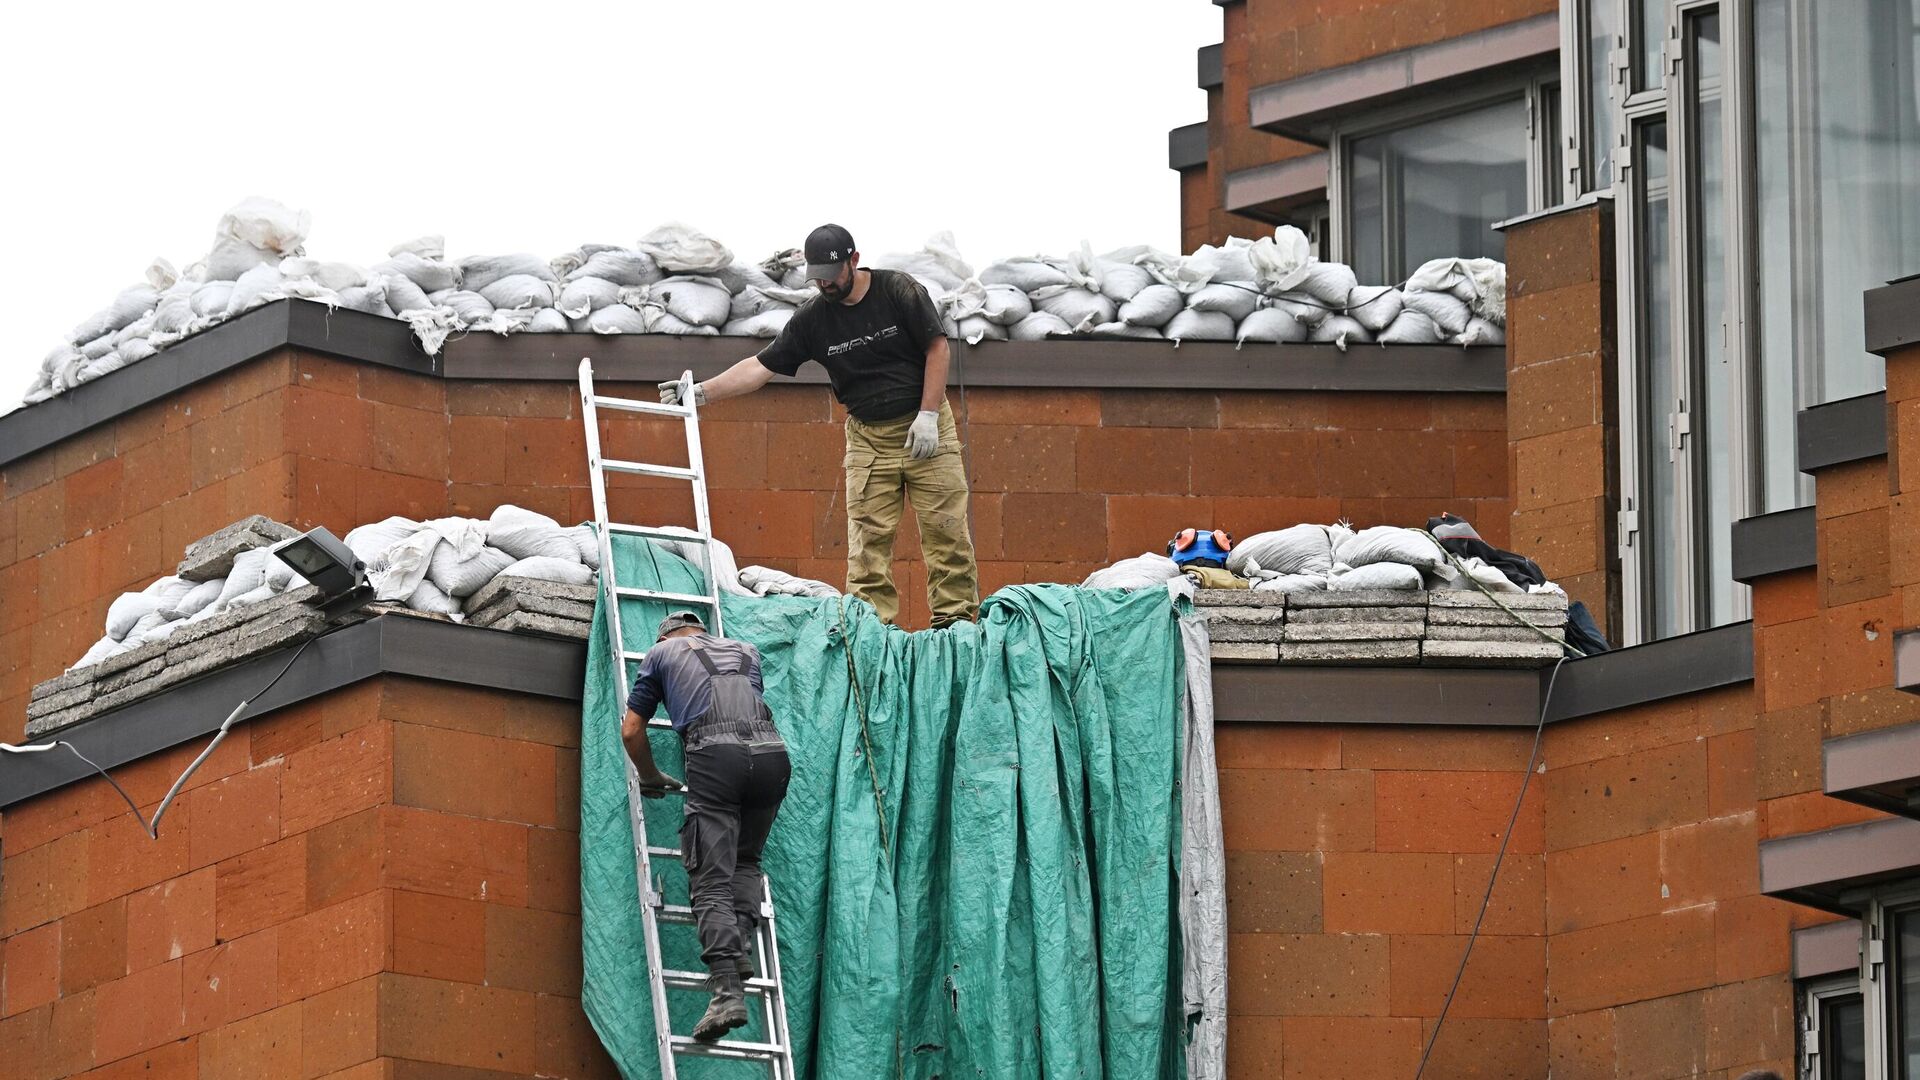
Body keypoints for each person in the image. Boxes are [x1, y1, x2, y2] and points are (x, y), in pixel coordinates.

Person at [660, 223, 980, 629]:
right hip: (869, 441)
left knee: (947, 533)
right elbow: (760, 367)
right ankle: (872, 633)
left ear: (854, 261)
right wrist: (701, 393)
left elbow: (937, 346)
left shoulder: (899, 291)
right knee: (867, 547)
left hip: (925, 427)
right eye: (818, 279)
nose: (825, 286)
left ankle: (953, 626)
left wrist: (929, 413)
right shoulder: (813, 319)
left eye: (832, 276)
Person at [620, 610, 790, 1043]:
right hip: (772, 755)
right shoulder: (746, 651)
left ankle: (726, 992)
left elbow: (631, 731)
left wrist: (651, 774)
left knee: (710, 880)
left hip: (717, 757)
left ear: (667, 635)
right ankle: (741, 947)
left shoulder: (660, 653)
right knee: (745, 860)